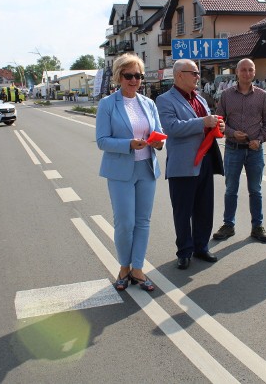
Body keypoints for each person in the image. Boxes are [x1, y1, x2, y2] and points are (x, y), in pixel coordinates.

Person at [96, 53, 165, 292]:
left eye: (138, 76)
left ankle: (137, 268)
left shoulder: (148, 103)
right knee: (125, 223)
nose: (134, 80)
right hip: (120, 170)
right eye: (129, 76)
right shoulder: (107, 104)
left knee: (143, 222)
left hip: (146, 168)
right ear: (118, 77)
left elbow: (158, 132)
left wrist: (158, 142)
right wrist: (128, 144)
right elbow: (102, 141)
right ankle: (124, 267)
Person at [156, 59, 225, 270]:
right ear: (179, 75)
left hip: (204, 160)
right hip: (183, 164)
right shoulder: (165, 100)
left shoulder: (200, 99)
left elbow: (206, 123)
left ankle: (201, 246)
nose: (198, 76)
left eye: (198, 73)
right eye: (194, 73)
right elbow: (171, 128)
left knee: (204, 208)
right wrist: (203, 122)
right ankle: (184, 251)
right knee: (183, 211)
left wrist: (217, 124)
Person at [213, 58, 266, 243]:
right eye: (243, 70)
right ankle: (228, 225)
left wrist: (259, 139)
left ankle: (257, 226)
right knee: (231, 189)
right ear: (237, 72)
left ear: (254, 73)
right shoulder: (226, 95)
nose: (247, 73)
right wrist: (231, 133)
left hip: (255, 150)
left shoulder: (262, 96)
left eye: (250, 70)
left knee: (255, 190)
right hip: (233, 148)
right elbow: (219, 122)